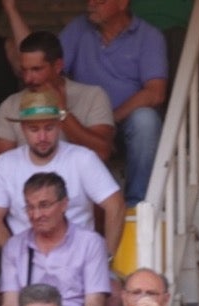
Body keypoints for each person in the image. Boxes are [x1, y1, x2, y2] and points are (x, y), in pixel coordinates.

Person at [0, 90, 123, 257]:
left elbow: (116, 205)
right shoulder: (6, 163)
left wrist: (106, 257)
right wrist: (17, 257)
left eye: (49, 128)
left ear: (60, 125)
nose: (42, 137)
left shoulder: (83, 158)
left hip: (79, 257)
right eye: (34, 129)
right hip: (28, 257)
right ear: (22, 129)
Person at [58, 0, 163, 201]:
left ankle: (137, 204)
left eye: (100, 0)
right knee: (56, 112)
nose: (90, 4)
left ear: (122, 3)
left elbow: (155, 93)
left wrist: (111, 120)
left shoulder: (149, 36)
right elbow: (51, 68)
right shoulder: (79, 27)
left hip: (125, 122)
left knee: (146, 121)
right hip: (86, 121)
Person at [0, 175, 108, 306]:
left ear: (64, 204)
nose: (36, 215)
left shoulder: (90, 242)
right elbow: (10, 304)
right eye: (30, 207)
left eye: (44, 205)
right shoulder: (14, 246)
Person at [0, 29, 113, 159]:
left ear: (58, 66)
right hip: (28, 179)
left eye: (36, 69)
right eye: (24, 70)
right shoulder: (9, 105)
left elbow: (102, 153)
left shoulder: (93, 96)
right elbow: (4, 164)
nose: (28, 78)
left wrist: (62, 111)